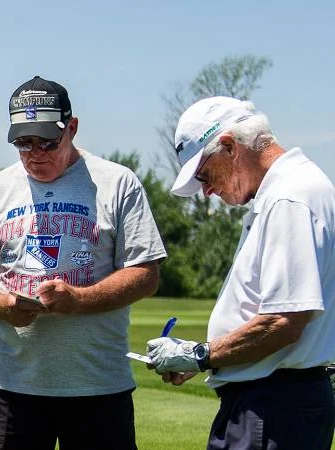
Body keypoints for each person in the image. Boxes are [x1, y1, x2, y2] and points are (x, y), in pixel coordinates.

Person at [0, 75, 167, 450]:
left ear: (72, 128)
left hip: (99, 387)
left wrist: (80, 300)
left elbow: (145, 274)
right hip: (15, 387)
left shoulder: (117, 182)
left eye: (48, 142)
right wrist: (3, 306)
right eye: (23, 143)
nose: (35, 153)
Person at [146, 96, 335, 449]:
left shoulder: (288, 198)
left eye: (205, 175)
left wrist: (201, 355)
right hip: (274, 404)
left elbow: (283, 322)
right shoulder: (284, 192)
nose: (207, 190)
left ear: (230, 147)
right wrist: (206, 357)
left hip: (272, 408)